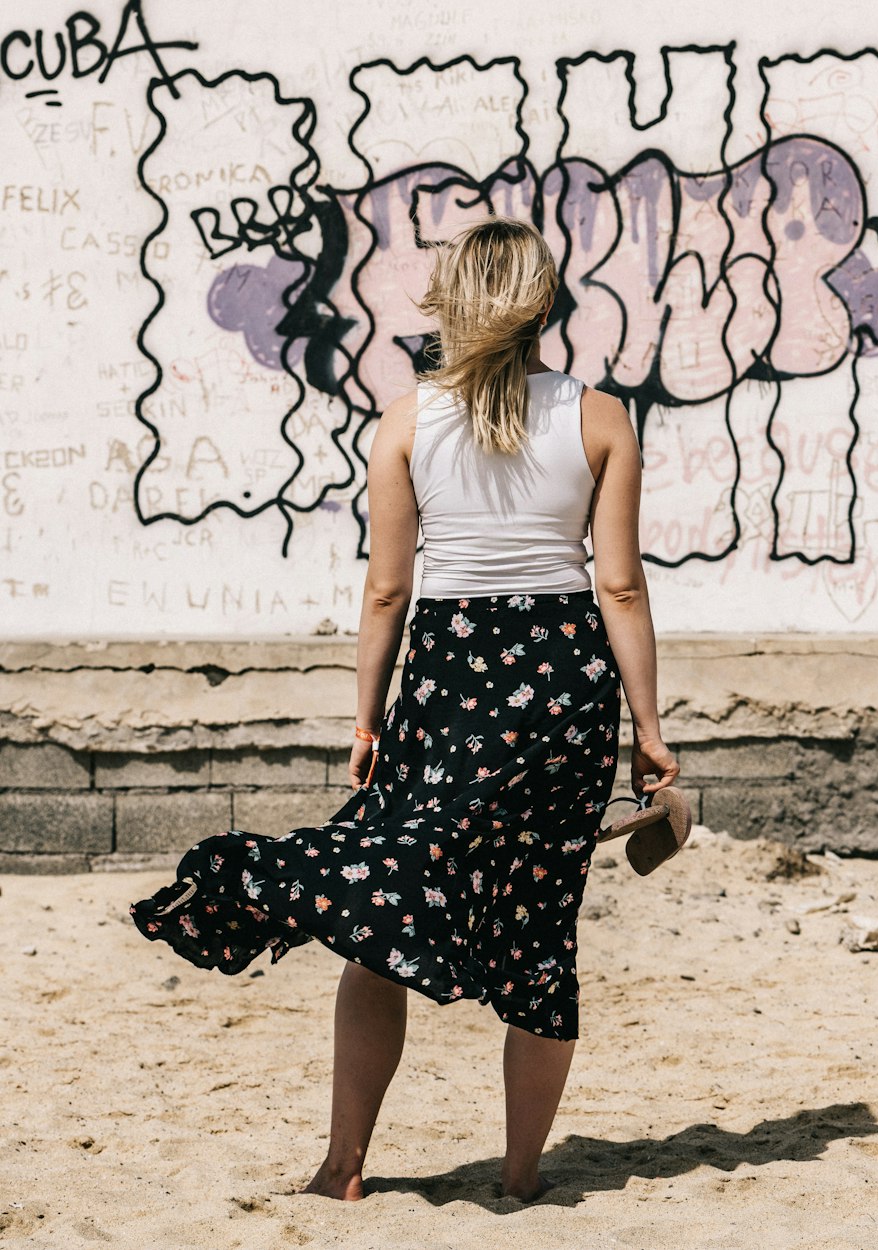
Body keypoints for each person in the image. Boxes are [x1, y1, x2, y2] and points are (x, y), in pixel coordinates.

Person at [130, 216, 680, 1203]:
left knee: (382, 915)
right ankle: (519, 1178)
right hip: (562, 691)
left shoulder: (405, 420)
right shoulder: (600, 418)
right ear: (547, 306)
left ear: (450, 306)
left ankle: (344, 1161)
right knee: (540, 930)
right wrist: (647, 728)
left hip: (450, 683)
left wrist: (366, 716)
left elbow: (386, 590)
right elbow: (622, 588)